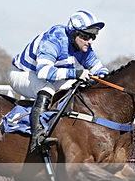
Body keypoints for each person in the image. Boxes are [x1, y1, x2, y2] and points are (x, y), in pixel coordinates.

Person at [9, 10, 109, 153]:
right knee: (47, 89)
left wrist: (102, 78)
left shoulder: (84, 47)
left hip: (47, 77)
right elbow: (43, 72)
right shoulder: (54, 39)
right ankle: (37, 137)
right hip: (23, 74)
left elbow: (99, 69)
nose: (90, 40)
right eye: (86, 36)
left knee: (75, 87)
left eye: (93, 36)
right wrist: (75, 73)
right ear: (74, 33)